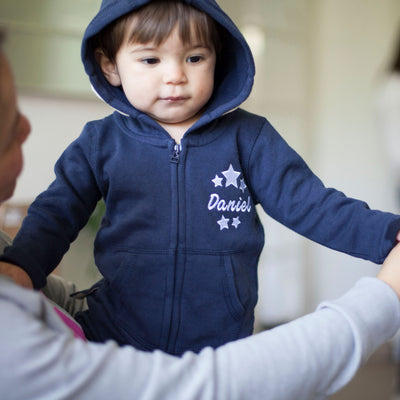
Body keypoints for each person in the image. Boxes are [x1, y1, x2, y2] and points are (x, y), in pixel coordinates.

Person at [1, 27, 400, 400]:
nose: (175, 76)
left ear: (218, 59)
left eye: (194, 58)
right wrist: (21, 268)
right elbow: (55, 213)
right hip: (115, 334)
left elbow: (313, 205)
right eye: (151, 60)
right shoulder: (99, 142)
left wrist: (389, 235)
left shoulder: (250, 138)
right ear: (111, 66)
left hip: (221, 340)